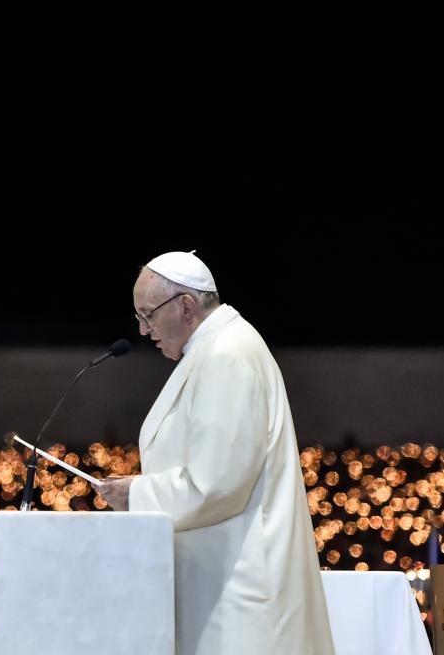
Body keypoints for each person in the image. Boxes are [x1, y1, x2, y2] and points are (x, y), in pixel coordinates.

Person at [95, 251, 334, 654]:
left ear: (185, 306)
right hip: (224, 583)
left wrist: (135, 494)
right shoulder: (218, 349)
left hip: (240, 592)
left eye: (147, 314)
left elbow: (216, 484)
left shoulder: (227, 355)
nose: (142, 329)